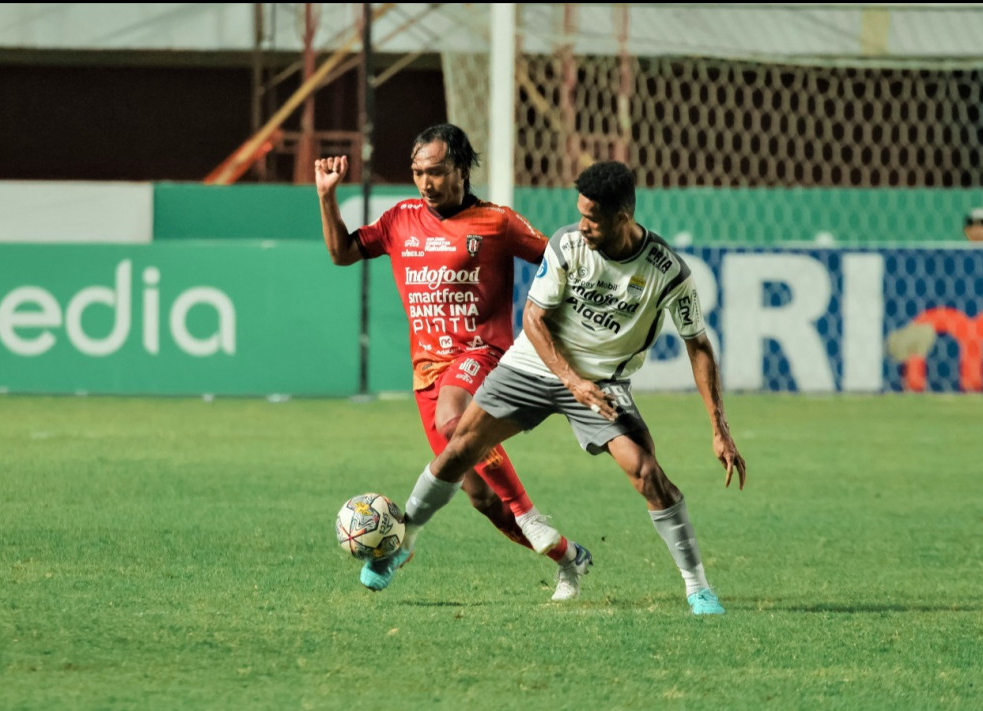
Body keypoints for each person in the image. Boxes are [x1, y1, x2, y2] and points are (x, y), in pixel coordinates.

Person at [388, 160, 748, 614]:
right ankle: (403, 540)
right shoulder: (567, 244)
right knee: (459, 446)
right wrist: (571, 380)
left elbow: (699, 346)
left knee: (646, 473)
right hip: (533, 366)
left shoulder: (668, 271)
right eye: (579, 213)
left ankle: (698, 588)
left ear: (622, 217)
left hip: (602, 383)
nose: (582, 225)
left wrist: (720, 428)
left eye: (592, 218)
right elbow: (534, 320)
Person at [315, 123, 592, 598]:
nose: (426, 182)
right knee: (482, 497)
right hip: (427, 373)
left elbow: (557, 261)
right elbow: (342, 254)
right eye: (418, 172)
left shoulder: (497, 222)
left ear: (461, 169)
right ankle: (567, 555)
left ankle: (521, 519)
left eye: (437, 172)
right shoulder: (400, 219)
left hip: (481, 356)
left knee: (453, 420)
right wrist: (326, 196)